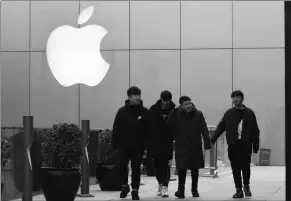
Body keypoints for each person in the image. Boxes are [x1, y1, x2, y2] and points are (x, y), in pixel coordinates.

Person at [210, 90, 260, 199]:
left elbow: (255, 130)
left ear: (242, 99)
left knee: (245, 166)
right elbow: (221, 126)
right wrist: (213, 139)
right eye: (233, 98)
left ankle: (246, 186)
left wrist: (256, 144)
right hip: (233, 144)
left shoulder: (249, 113)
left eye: (237, 97)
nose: (235, 99)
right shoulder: (229, 113)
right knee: (235, 168)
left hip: (246, 144)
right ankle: (238, 190)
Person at [166, 96, 211, 199]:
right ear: (181, 106)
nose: (189, 106)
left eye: (190, 103)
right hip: (181, 146)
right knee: (181, 169)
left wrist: (207, 142)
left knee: (195, 169)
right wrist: (173, 111)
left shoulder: (198, 114)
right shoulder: (177, 114)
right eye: (186, 104)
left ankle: (194, 190)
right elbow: (168, 125)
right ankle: (181, 190)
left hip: (195, 145)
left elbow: (204, 128)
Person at [112, 86, 149, 200]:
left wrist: (147, 146)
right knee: (121, 166)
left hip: (138, 146)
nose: (138, 97)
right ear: (129, 97)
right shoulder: (122, 111)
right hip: (123, 145)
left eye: (139, 95)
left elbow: (148, 130)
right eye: (135, 95)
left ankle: (135, 190)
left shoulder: (144, 112)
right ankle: (124, 186)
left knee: (136, 167)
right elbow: (116, 128)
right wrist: (115, 145)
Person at [148, 90, 176, 197]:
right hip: (155, 143)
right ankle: (160, 183)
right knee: (157, 165)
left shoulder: (174, 110)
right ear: (161, 99)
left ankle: (165, 186)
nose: (165, 103)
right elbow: (148, 126)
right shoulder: (153, 109)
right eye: (164, 101)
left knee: (166, 165)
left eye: (167, 101)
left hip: (168, 142)